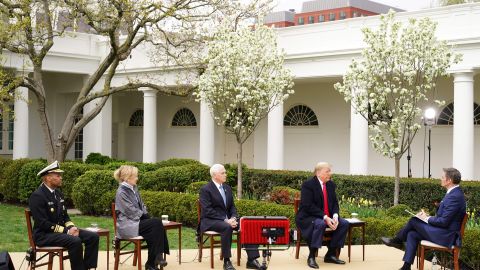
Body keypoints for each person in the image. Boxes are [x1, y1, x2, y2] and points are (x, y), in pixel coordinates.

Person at [382, 167, 467, 270]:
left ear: (449, 180)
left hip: (446, 236)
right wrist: (427, 217)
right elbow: (443, 217)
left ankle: (397, 240)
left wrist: (426, 218)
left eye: (442, 177)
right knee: (412, 234)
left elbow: (444, 222)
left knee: (414, 220)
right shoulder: (453, 193)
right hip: (442, 232)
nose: (440, 179)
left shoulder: (455, 196)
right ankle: (406, 267)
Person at [29, 161, 99, 270]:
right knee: (75, 241)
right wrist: (67, 231)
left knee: (92, 237)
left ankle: (87, 268)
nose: (61, 178)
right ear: (48, 178)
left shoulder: (58, 194)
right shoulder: (37, 196)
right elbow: (43, 223)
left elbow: (65, 216)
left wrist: (72, 227)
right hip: (44, 235)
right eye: (58, 175)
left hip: (60, 232)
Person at [199, 164, 261, 270]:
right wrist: (226, 220)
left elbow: (232, 206)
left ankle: (251, 260)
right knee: (226, 227)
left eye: (225, 172)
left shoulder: (227, 188)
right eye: (223, 173)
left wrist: (233, 217)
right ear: (215, 175)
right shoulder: (205, 189)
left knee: (247, 223)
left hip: (227, 220)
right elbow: (208, 210)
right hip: (211, 220)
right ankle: (227, 261)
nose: (225, 174)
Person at [114, 165, 169, 270]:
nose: (137, 178)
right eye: (135, 176)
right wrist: (145, 216)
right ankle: (154, 260)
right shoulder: (121, 192)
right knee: (156, 223)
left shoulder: (134, 188)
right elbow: (129, 210)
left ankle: (153, 261)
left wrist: (146, 215)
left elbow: (142, 205)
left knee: (156, 226)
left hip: (137, 222)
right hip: (127, 225)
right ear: (127, 177)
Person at [295, 162, 348, 269]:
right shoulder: (308, 185)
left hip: (327, 217)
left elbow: (334, 203)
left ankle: (331, 254)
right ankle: (311, 256)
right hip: (308, 216)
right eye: (327, 171)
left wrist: (335, 216)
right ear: (318, 173)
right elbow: (308, 205)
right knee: (320, 224)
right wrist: (325, 217)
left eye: (330, 171)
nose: (330, 173)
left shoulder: (330, 185)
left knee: (344, 224)